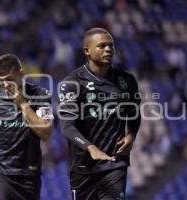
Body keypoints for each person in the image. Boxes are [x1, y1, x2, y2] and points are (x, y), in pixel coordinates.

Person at [58, 28, 141, 200]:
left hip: (114, 163)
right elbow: (67, 126)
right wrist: (90, 147)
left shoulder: (126, 81)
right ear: (87, 51)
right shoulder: (72, 83)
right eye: (102, 46)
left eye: (111, 46)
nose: (108, 49)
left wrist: (131, 135)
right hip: (83, 168)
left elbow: (134, 114)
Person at [0, 54, 54, 200]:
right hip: (0, 173)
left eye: (9, 80)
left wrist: (23, 104)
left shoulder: (40, 95)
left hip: (28, 174)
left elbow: (46, 132)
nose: (5, 85)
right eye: (1, 81)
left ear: (21, 73)